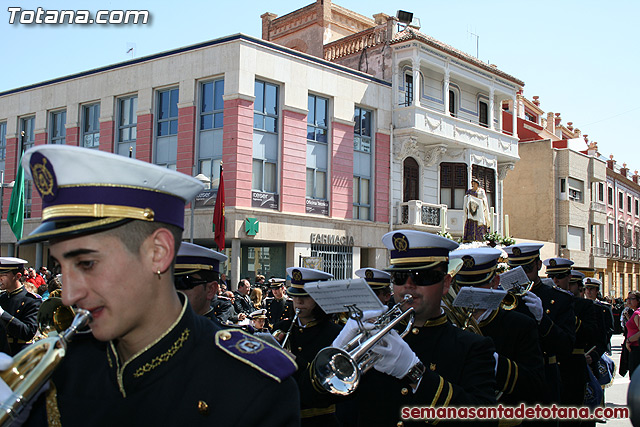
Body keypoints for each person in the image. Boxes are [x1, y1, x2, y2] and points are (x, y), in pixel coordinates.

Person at [16, 145, 299, 426]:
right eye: (61, 267)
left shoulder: (252, 384)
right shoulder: (62, 372)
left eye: (87, 264)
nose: (68, 295)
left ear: (159, 252)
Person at [323, 230, 497, 426]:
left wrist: (416, 374)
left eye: (422, 276)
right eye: (399, 277)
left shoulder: (473, 346)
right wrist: (337, 352)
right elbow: (316, 400)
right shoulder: (372, 334)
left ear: (446, 283)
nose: (408, 285)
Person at [450, 247, 545, 409]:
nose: (470, 292)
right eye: (462, 286)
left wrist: (494, 362)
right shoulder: (448, 324)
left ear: (495, 282)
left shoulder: (520, 325)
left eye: (478, 284)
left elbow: (535, 385)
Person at [504, 244, 576, 407]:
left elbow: (566, 346)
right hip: (511, 378)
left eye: (527, 268)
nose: (522, 275)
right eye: (515, 269)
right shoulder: (503, 296)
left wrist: (542, 319)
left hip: (544, 379)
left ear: (538, 265)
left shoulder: (559, 299)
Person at [274, 267, 342, 427]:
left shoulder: (336, 333)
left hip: (319, 420)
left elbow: (332, 386)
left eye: (306, 296)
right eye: (295, 295)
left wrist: (295, 361)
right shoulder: (281, 327)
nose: (299, 301)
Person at [543, 258, 595, 414]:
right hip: (550, 367)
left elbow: (592, 334)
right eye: (551, 277)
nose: (555, 281)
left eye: (559, 276)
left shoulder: (583, 305)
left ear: (569, 277)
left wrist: (571, 318)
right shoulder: (543, 300)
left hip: (572, 367)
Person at [174, 242, 227, 326]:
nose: (173, 291)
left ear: (211, 290)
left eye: (183, 282)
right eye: (169, 283)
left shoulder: (224, 338)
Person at [0, 257, 42, 356]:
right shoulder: (2, 298)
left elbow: (28, 332)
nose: (0, 279)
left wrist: (2, 314)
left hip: (19, 354)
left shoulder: (32, 300)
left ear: (18, 276)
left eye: (3, 275)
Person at [584, 278, 614, 354]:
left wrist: (602, 343)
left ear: (597, 291)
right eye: (587, 288)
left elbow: (609, 328)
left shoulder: (604, 307)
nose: (588, 291)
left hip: (599, 347)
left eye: (591, 289)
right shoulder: (581, 306)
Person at [463, 178, 490, 242]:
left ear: (477, 184)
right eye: (472, 184)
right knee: (470, 224)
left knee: (479, 225)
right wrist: (468, 198)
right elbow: (466, 199)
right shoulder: (469, 191)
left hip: (479, 212)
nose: (473, 185)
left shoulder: (481, 191)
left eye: (474, 184)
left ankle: (480, 238)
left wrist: (478, 199)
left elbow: (484, 200)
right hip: (471, 213)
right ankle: (470, 239)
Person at [625, 290, 640, 375]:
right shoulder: (635, 312)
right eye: (628, 298)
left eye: (632, 298)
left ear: (638, 300)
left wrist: (629, 340)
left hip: (636, 348)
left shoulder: (637, 313)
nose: (629, 301)